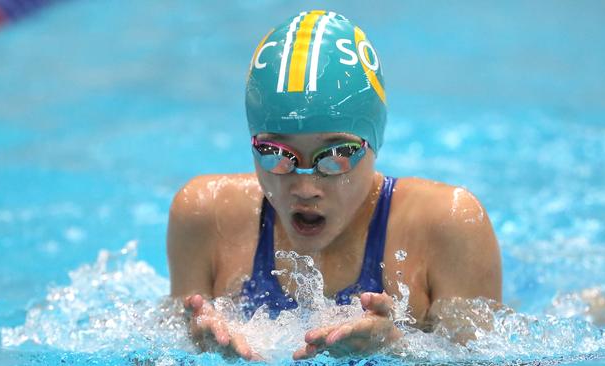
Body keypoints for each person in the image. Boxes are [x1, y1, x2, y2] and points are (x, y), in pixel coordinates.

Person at [166, 10, 502, 360]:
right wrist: (195, 352)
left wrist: (397, 352)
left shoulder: (447, 226)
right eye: (276, 152)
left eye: (337, 154)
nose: (307, 186)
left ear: (374, 142)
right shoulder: (204, 215)